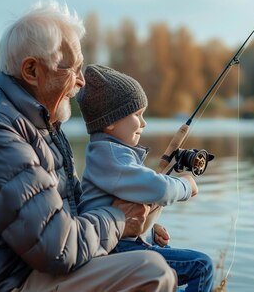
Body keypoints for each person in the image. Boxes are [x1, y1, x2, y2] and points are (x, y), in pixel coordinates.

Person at [0, 1, 178, 292]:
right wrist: (119, 219)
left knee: (150, 256)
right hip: (3, 285)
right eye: (74, 68)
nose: (81, 81)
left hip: (27, 274)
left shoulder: (36, 121)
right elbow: (57, 249)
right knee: (152, 272)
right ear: (32, 70)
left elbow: (70, 219)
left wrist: (134, 232)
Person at [76, 64, 215, 292]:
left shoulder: (109, 153)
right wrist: (187, 185)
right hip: (116, 250)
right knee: (202, 266)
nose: (144, 123)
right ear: (111, 121)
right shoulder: (110, 155)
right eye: (137, 115)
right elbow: (158, 188)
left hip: (123, 244)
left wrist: (150, 231)